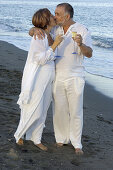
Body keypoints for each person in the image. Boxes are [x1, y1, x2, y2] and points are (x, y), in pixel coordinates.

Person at [29, 3, 93, 155]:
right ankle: (61, 138)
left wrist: (81, 44)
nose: (54, 16)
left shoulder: (82, 29)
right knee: (59, 109)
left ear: (67, 16)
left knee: (76, 110)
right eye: (55, 14)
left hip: (75, 76)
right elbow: (36, 32)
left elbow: (89, 53)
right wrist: (33, 29)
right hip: (57, 75)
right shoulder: (55, 28)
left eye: (57, 14)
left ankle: (77, 143)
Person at [14, 8, 63, 151]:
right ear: (46, 21)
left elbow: (68, 22)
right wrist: (55, 45)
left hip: (48, 78)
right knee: (33, 107)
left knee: (43, 110)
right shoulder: (39, 36)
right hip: (38, 78)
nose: (54, 17)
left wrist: (34, 29)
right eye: (51, 16)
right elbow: (40, 59)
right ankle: (19, 135)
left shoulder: (49, 32)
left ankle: (36, 138)